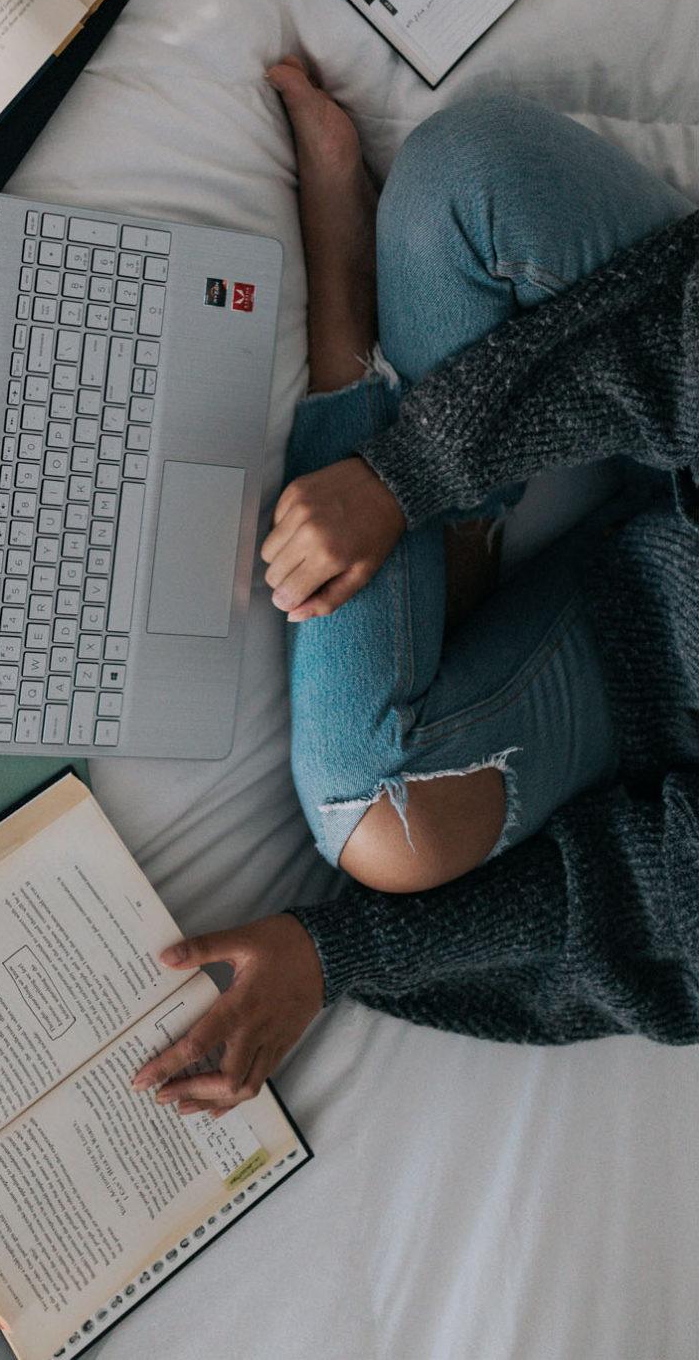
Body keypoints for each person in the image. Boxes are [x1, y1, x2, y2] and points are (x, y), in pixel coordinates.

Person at [131, 61, 699, 1118]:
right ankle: (445, 512)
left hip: (649, 656)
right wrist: (411, 474)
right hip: (676, 396)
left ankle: (349, 344)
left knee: (375, 814)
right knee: (465, 174)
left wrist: (339, 951)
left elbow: (661, 887)